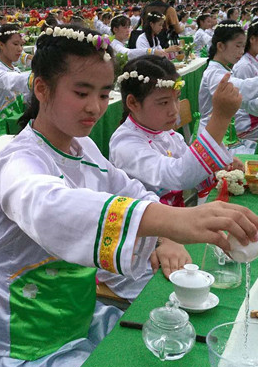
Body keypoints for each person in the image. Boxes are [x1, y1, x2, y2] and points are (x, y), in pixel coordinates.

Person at [0, 24, 258, 367]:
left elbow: (128, 189)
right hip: (25, 338)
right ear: (42, 88)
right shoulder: (19, 160)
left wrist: (165, 234)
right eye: (81, 93)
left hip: (78, 314)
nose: (95, 107)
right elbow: (51, 208)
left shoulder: (81, 146)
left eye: (102, 94)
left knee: (171, 345)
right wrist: (175, 221)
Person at [102, 55, 242, 300]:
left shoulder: (167, 135)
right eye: (163, 102)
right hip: (141, 245)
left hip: (175, 231)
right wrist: (220, 118)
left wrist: (220, 170)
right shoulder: (126, 144)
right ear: (133, 103)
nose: (174, 111)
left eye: (175, 100)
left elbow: (191, 170)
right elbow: (179, 176)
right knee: (191, 292)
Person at [0, 24, 33, 134]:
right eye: (15, 44)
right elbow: (13, 81)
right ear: (1, 45)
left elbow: (25, 97)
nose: (20, 49)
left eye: (21, 45)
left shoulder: (16, 70)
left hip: (15, 124)